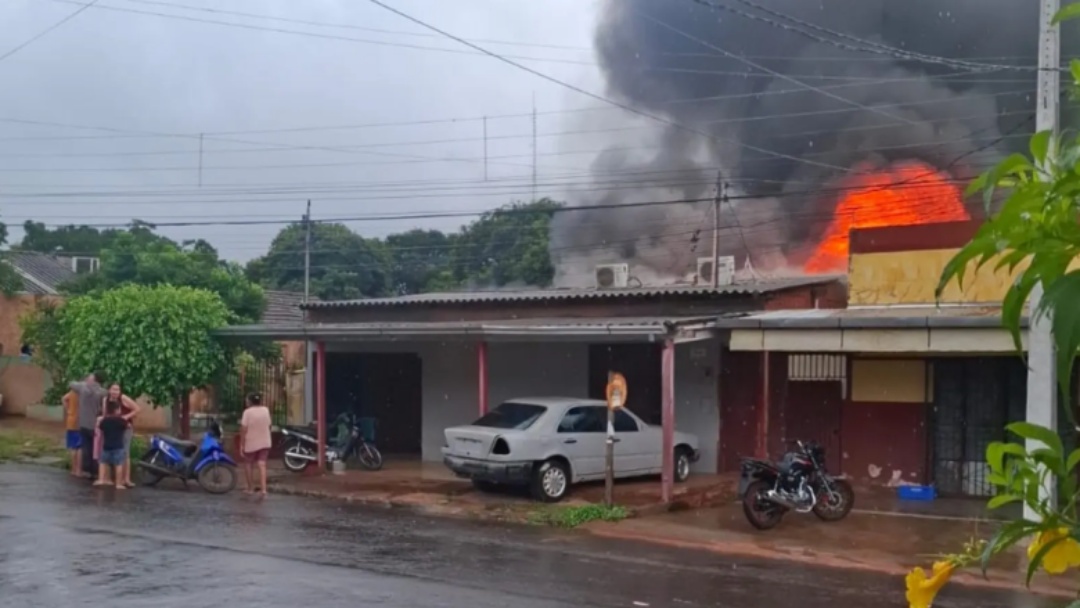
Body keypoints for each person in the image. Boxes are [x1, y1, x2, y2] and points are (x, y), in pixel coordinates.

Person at [102, 383, 140, 488]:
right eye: (113, 389)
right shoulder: (106, 400)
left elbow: (137, 409)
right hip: (113, 429)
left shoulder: (123, 398)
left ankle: (126, 479)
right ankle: (112, 478)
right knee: (112, 451)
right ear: (109, 390)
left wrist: (125, 417)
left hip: (125, 428)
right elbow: (105, 414)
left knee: (125, 452)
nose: (115, 392)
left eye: (117, 390)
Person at [70, 371, 107, 479]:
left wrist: (83, 383)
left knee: (85, 447)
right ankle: (96, 471)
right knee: (96, 449)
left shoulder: (83, 388)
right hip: (95, 424)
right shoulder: (102, 392)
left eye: (89, 378)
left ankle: (87, 470)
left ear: (93, 380)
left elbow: (71, 384)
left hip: (83, 423)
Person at [240, 393, 272, 497]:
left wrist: (242, 445)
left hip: (251, 442)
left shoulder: (247, 412)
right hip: (265, 441)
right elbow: (269, 425)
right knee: (262, 464)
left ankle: (250, 488)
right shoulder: (266, 410)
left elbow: (244, 430)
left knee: (248, 464)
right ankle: (263, 490)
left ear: (249, 402)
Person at [95, 401, 128, 489]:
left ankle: (101, 479)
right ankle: (118, 484)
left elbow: (100, 427)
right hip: (118, 446)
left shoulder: (105, 420)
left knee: (102, 462)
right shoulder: (121, 421)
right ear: (116, 410)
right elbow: (127, 426)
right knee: (118, 464)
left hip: (106, 446)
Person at [62, 390, 82, 477]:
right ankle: (78, 470)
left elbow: (64, 398)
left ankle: (73, 469)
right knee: (80, 447)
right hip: (80, 422)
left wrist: (68, 410)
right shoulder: (84, 392)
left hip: (70, 421)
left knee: (73, 447)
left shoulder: (72, 392)